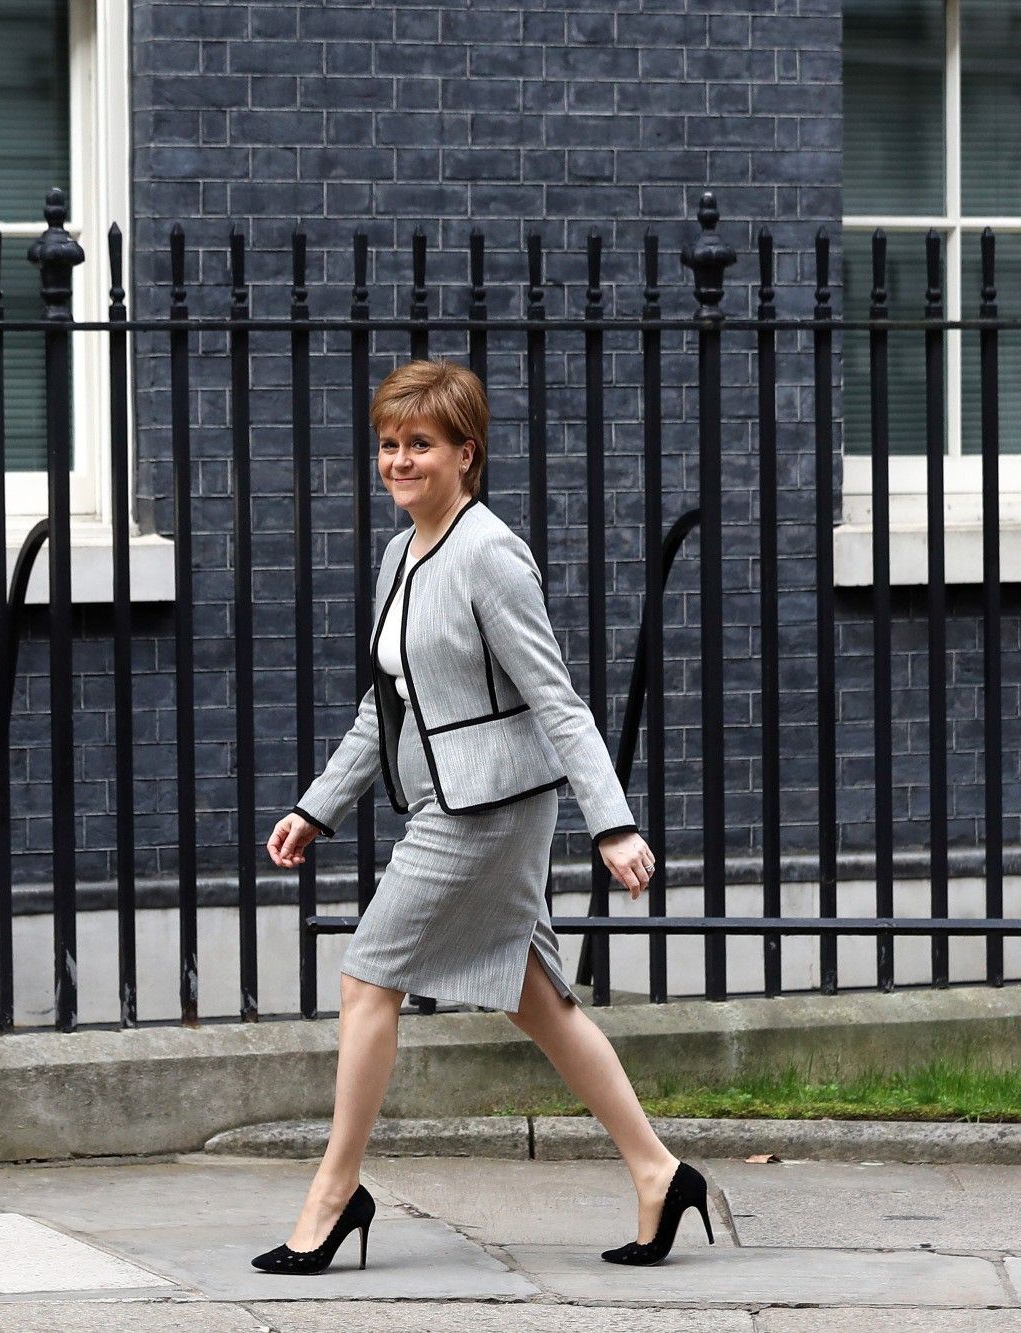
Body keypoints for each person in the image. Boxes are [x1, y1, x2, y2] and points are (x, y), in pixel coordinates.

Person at [253, 359, 713, 1274]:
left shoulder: (487, 552)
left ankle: (335, 1193)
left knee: (366, 978)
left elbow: (558, 699)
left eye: (419, 444)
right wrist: (317, 805)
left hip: (488, 809)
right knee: (537, 1001)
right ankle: (661, 1172)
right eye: (388, 445)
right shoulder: (401, 554)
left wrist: (612, 824)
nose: (399, 460)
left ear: (467, 453)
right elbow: (384, 707)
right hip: (442, 799)